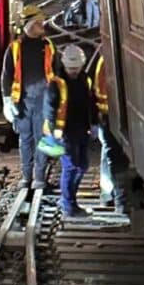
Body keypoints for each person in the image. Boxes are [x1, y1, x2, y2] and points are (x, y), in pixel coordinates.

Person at [1, 5, 57, 189]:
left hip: (44, 100)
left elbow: (57, 73)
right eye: (39, 22)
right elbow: (6, 75)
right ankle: (27, 177)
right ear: (29, 25)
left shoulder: (48, 47)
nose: (42, 25)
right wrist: (7, 100)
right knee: (25, 139)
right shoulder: (15, 48)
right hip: (23, 101)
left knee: (42, 138)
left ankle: (39, 178)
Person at [43, 45, 95, 218]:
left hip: (81, 129)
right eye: (71, 68)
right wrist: (53, 131)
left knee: (82, 166)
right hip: (64, 133)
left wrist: (93, 123)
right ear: (64, 65)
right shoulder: (56, 84)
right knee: (71, 166)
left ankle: (69, 200)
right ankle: (68, 204)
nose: (73, 71)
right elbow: (49, 109)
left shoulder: (85, 79)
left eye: (76, 68)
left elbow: (90, 103)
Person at [86, 47, 127, 214]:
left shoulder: (103, 58)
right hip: (108, 116)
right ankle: (117, 200)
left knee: (108, 153)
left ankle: (107, 194)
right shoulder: (106, 61)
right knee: (113, 154)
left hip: (107, 115)